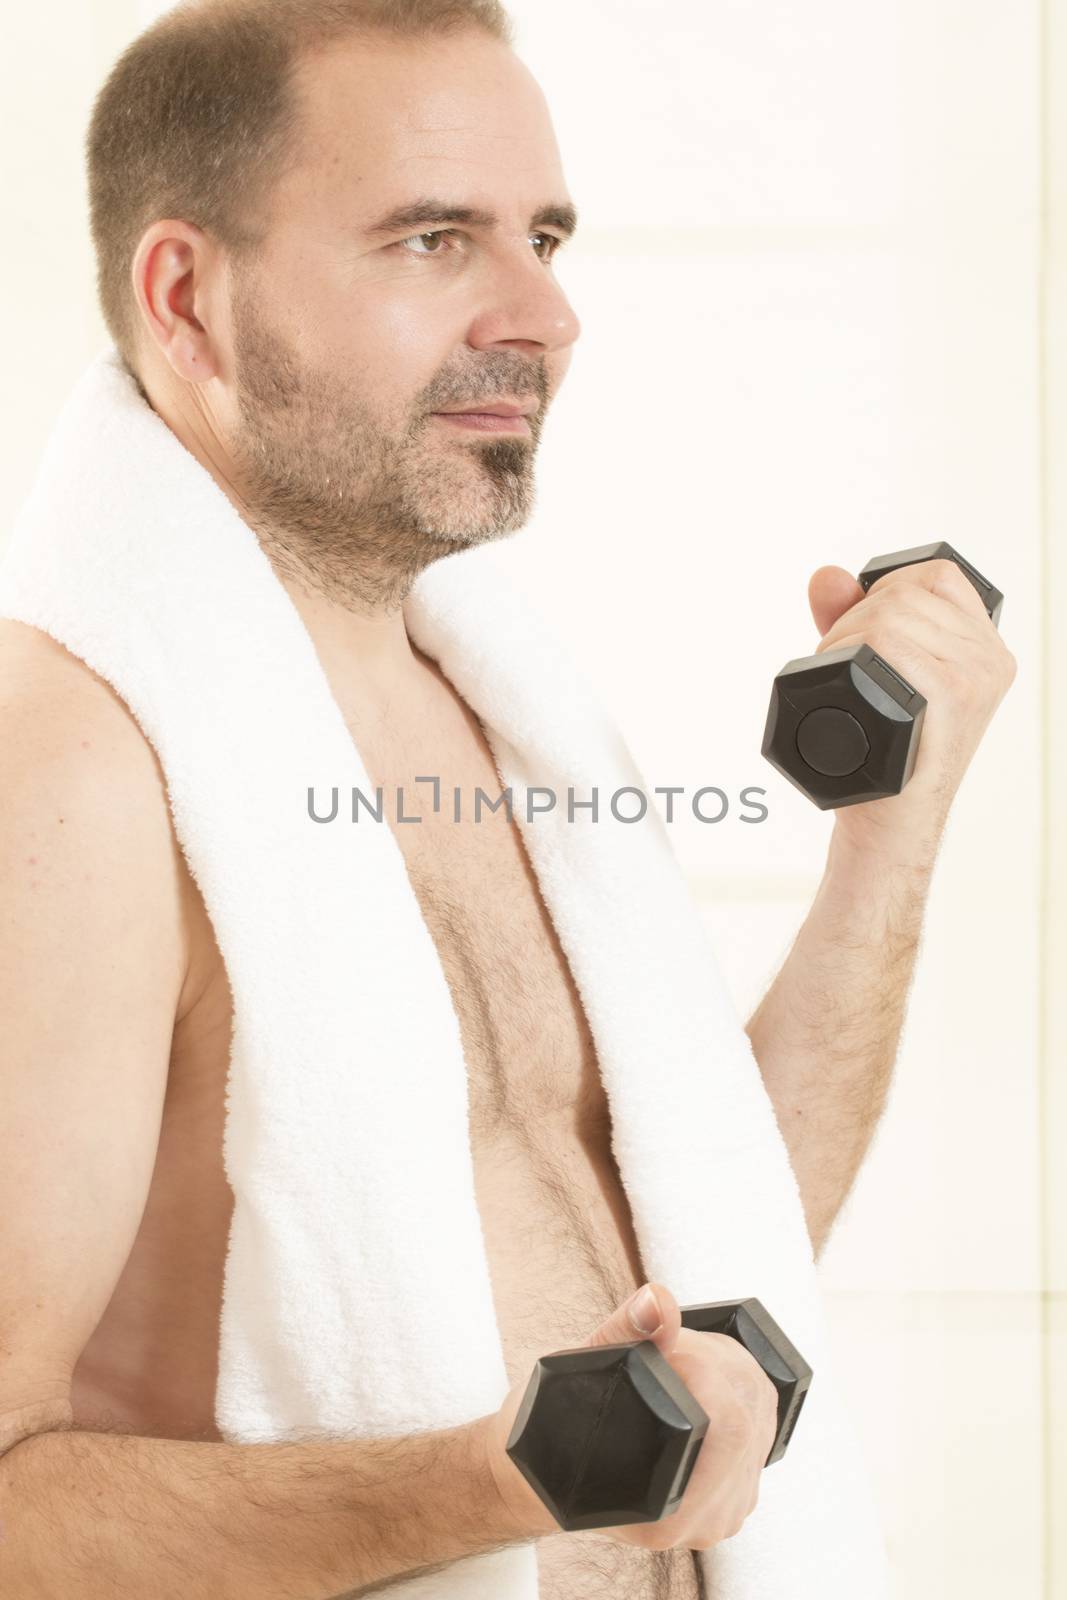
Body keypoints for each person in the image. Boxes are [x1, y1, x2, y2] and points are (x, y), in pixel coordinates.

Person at [0, 2, 1016, 1597]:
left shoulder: (498, 706)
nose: (545, 312)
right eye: (430, 239)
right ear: (186, 299)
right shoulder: (68, 763)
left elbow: (714, 1262)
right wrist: (495, 1484)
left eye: (543, 235)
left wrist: (891, 838)